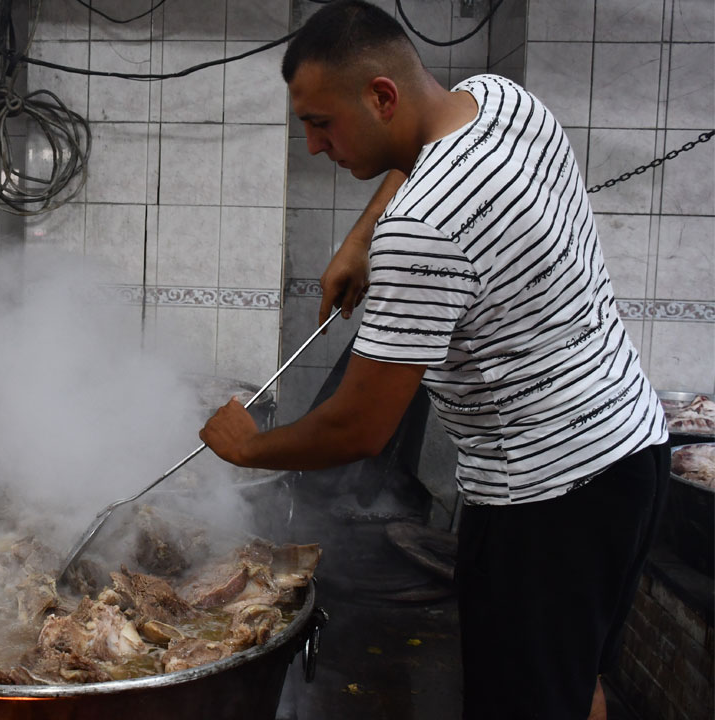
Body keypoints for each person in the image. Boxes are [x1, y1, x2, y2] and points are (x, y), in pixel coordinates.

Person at [199, 3, 669, 719]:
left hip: (543, 505)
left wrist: (250, 448)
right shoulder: (501, 101)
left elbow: (358, 429)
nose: (315, 146)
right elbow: (420, 158)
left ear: (382, 96)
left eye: (321, 123)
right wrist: (361, 238)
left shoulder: (425, 227)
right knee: (575, 685)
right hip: (628, 450)